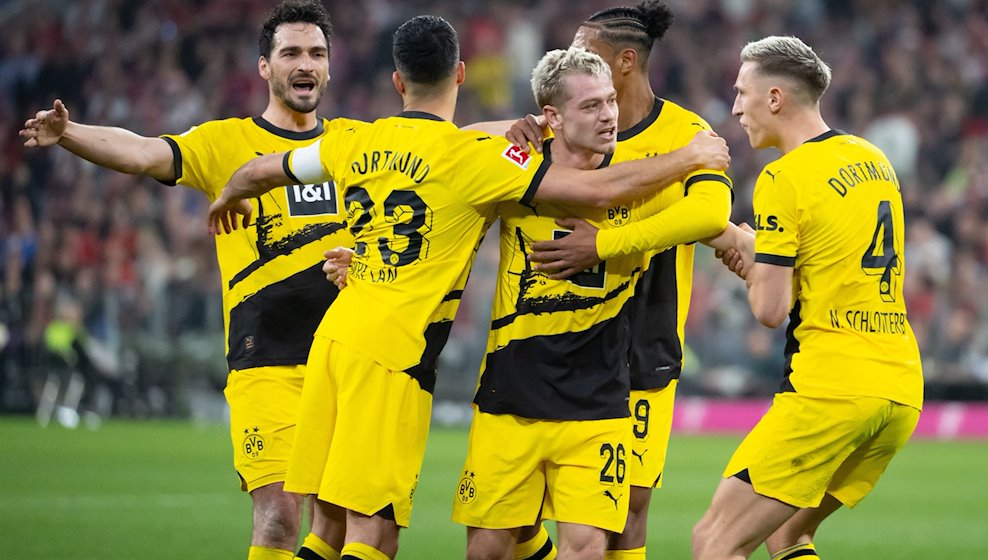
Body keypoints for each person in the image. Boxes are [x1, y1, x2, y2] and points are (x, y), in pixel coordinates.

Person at [206, 15, 731, 560]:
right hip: (395, 355)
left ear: (397, 81)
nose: (605, 116)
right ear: (460, 74)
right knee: (374, 533)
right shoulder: (479, 162)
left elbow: (271, 166)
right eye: (589, 105)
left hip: (337, 340)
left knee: (327, 528)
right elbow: (591, 191)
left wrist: (230, 191)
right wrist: (690, 159)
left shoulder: (359, 139)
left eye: (607, 104)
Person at [19, 2, 353, 559]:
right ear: (265, 68)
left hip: (346, 357)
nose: (305, 63)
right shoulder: (226, 142)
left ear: (329, 66)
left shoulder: (354, 144)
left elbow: (439, 148)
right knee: (278, 515)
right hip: (266, 358)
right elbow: (146, 153)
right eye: (290, 52)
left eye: (316, 53)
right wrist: (70, 132)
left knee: (336, 522)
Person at [505, 3, 741, 558]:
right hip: (555, 347)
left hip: (642, 346)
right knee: (514, 519)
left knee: (628, 510)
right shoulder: (555, 126)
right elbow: (473, 164)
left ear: (626, 61)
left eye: (587, 51)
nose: (572, 58)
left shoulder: (689, 134)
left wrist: (604, 243)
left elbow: (708, 216)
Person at [691, 36, 923, 560]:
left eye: (742, 92)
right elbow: (827, 263)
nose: (735, 107)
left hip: (831, 388)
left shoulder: (783, 176)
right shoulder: (873, 158)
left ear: (774, 98)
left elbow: (771, 311)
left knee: (714, 542)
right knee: (788, 534)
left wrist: (749, 264)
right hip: (899, 385)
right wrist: (752, 248)